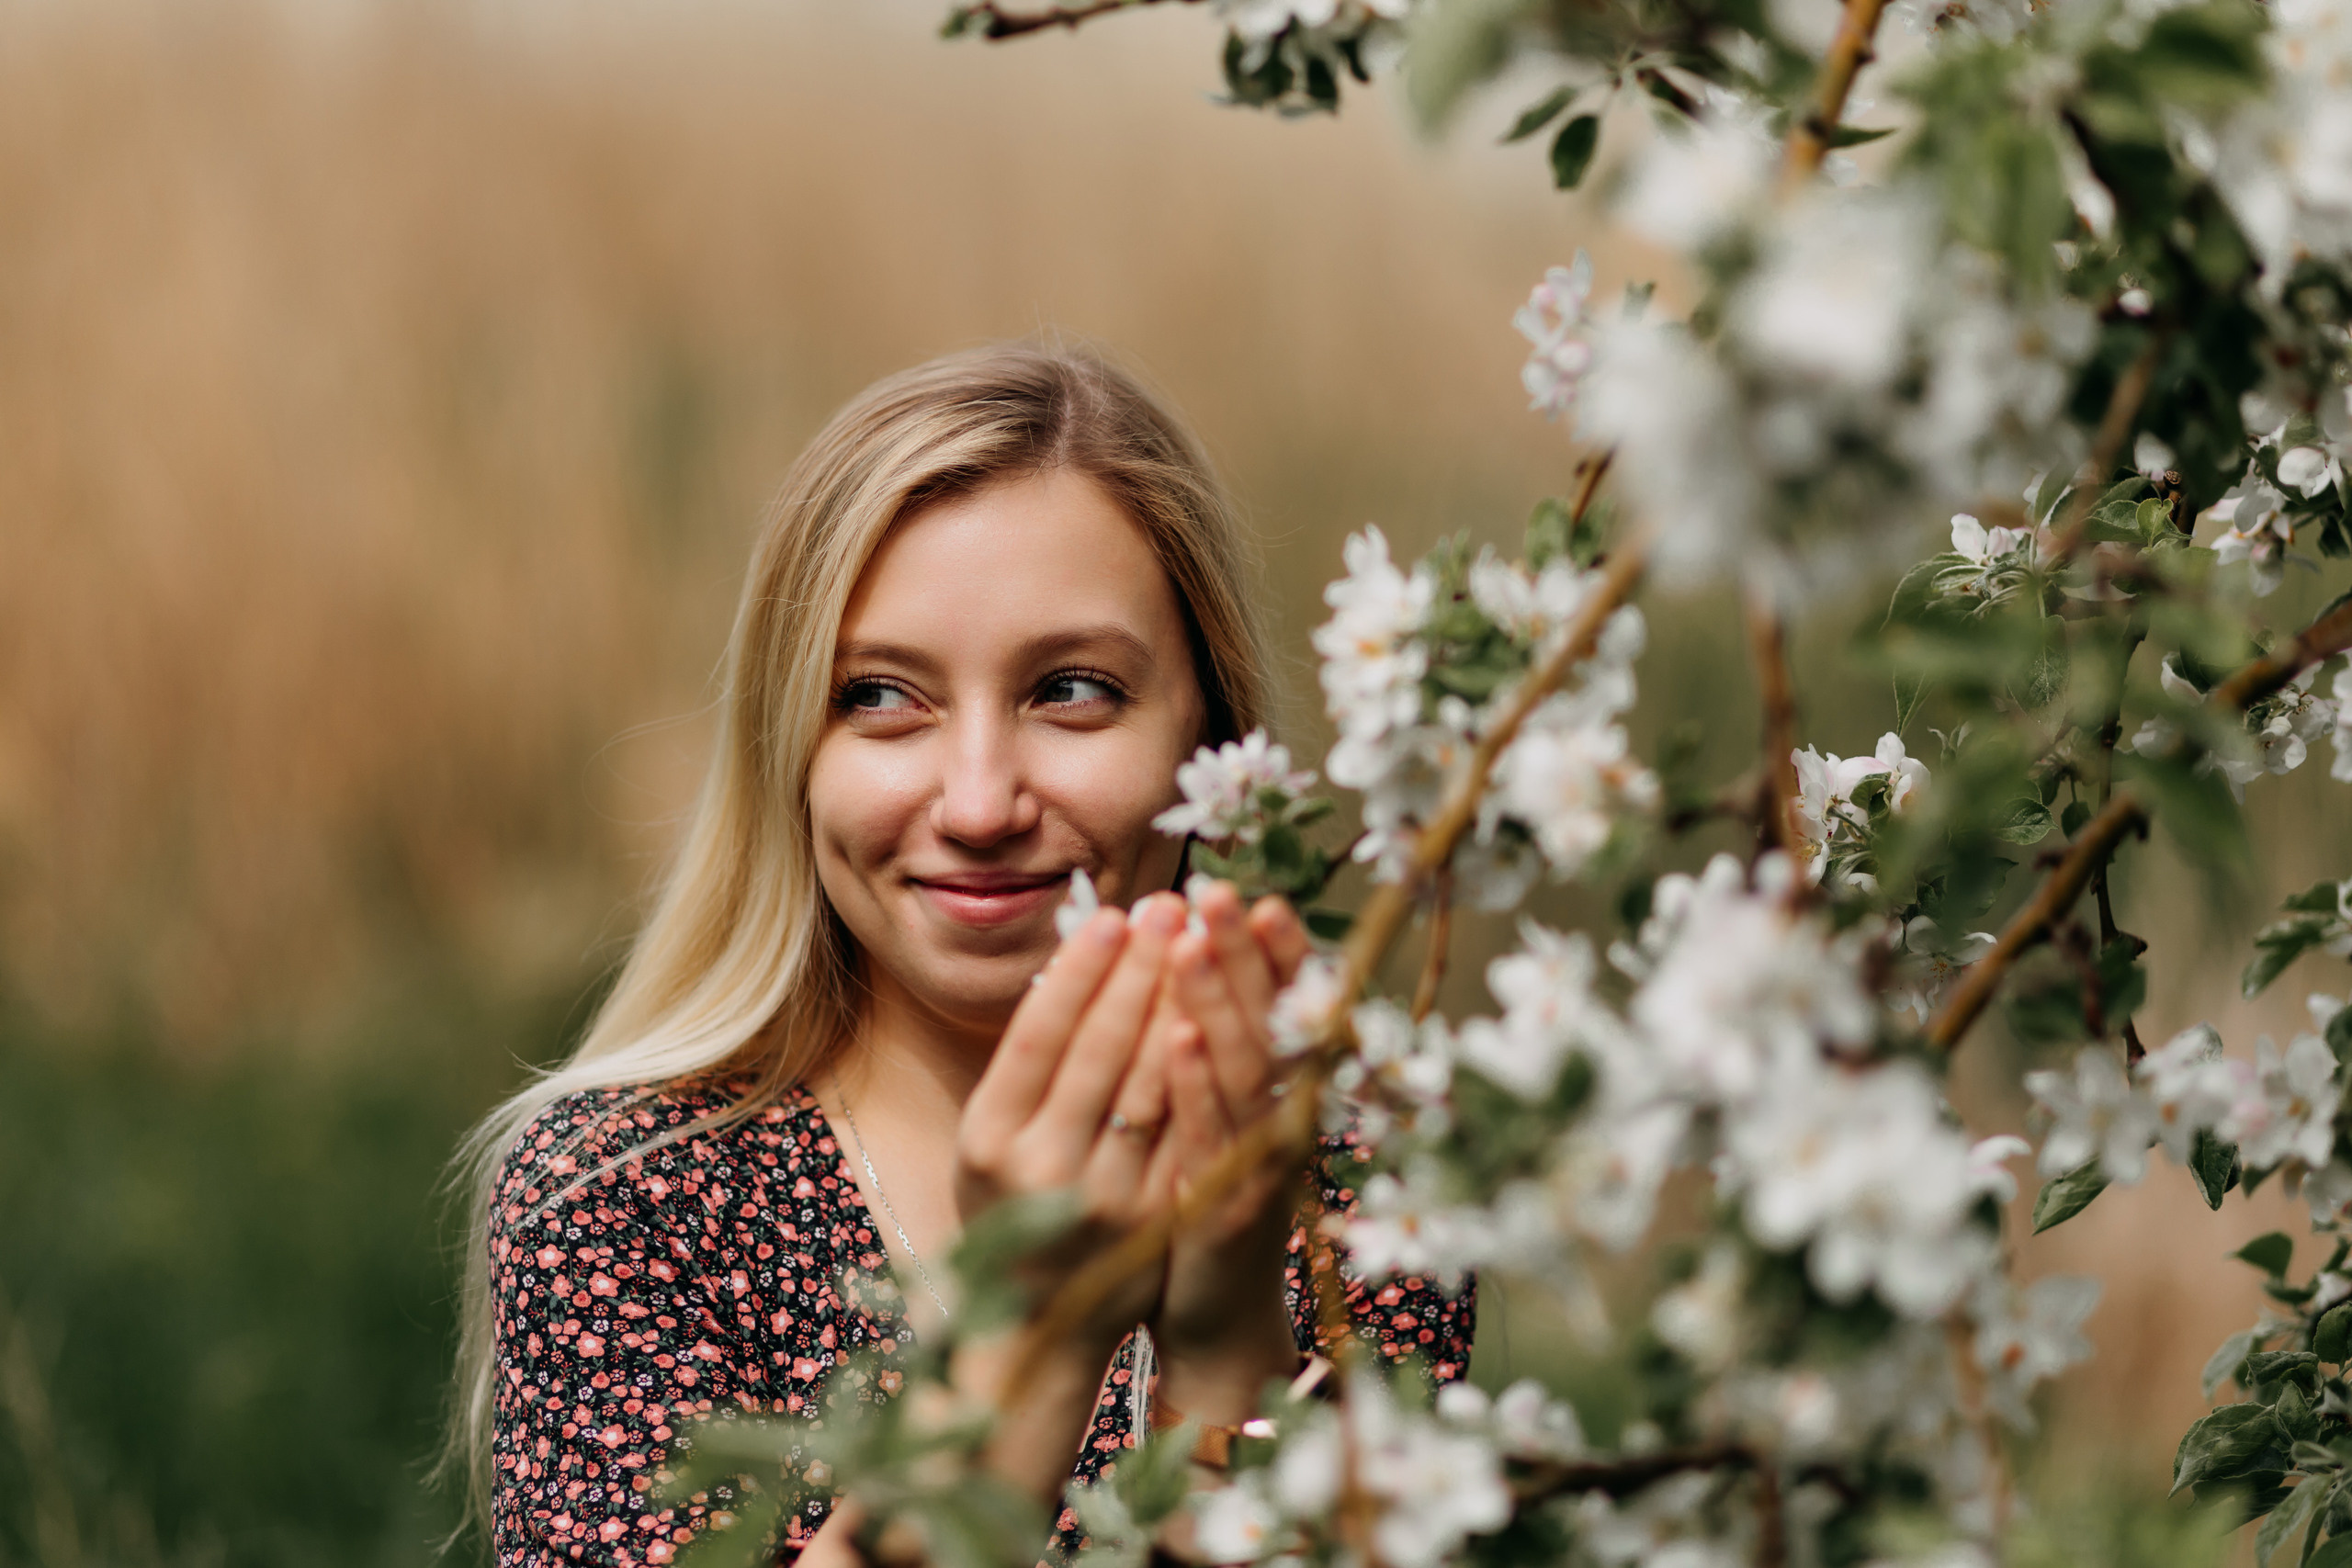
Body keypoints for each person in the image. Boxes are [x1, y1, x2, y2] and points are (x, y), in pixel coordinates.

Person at [447, 344, 1475, 1567]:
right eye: (881, 697)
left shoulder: (1355, 1179)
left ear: (1210, 734)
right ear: (795, 752)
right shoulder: (629, 1195)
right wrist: (1031, 1340)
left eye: (1072, 689)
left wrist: (1228, 1356)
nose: (980, 803)